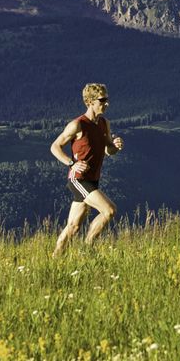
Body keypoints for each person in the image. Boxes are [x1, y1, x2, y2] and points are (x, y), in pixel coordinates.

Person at [51, 83, 124, 257]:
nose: (106, 103)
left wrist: (115, 146)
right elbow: (54, 147)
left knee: (73, 226)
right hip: (78, 179)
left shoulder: (104, 123)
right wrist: (71, 163)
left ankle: (54, 260)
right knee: (109, 210)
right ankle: (87, 248)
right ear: (90, 101)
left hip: (92, 179)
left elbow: (108, 150)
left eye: (107, 100)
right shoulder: (77, 125)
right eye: (102, 100)